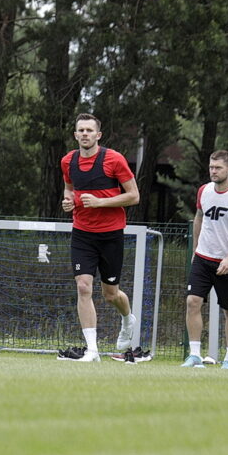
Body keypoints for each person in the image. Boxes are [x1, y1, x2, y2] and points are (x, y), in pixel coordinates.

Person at [57, 113, 141, 362]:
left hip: (111, 234)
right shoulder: (68, 161)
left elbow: (134, 196)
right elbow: (69, 189)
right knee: (83, 286)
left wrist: (101, 202)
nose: (84, 134)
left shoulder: (113, 159)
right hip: (82, 233)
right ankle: (92, 350)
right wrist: (67, 202)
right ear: (75, 135)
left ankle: (127, 319)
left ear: (98, 135)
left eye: (89, 130)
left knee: (110, 294)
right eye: (80, 130)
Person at [182, 150, 228, 370]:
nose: (213, 171)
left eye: (218, 168)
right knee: (192, 301)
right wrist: (195, 249)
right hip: (203, 258)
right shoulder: (204, 190)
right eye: (211, 167)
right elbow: (198, 218)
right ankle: (194, 355)